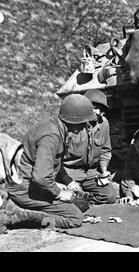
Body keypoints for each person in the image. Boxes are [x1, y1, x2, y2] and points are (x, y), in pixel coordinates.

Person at [7, 94, 99, 229]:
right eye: (83, 122)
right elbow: (41, 178)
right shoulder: (52, 136)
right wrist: (59, 193)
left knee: (78, 205)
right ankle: (21, 215)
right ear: (74, 121)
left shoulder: (56, 126)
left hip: (29, 185)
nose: (85, 126)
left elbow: (53, 164)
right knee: (75, 218)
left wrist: (67, 181)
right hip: (26, 190)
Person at [59, 89, 117, 205]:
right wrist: (67, 180)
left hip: (91, 172)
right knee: (65, 199)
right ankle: (78, 200)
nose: (98, 111)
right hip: (70, 172)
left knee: (110, 196)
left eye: (101, 108)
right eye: (94, 107)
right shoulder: (71, 124)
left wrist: (104, 171)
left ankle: (84, 201)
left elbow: (105, 150)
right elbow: (55, 158)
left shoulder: (104, 123)